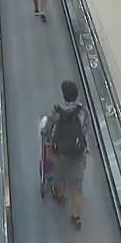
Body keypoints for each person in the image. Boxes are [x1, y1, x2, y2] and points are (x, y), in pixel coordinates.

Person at [42, 80, 89, 229]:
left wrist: (46, 138)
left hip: (60, 152)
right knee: (77, 184)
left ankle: (60, 194)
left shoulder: (56, 112)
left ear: (64, 95)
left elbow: (47, 130)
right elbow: (85, 131)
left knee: (59, 175)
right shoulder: (83, 112)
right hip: (78, 154)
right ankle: (76, 216)